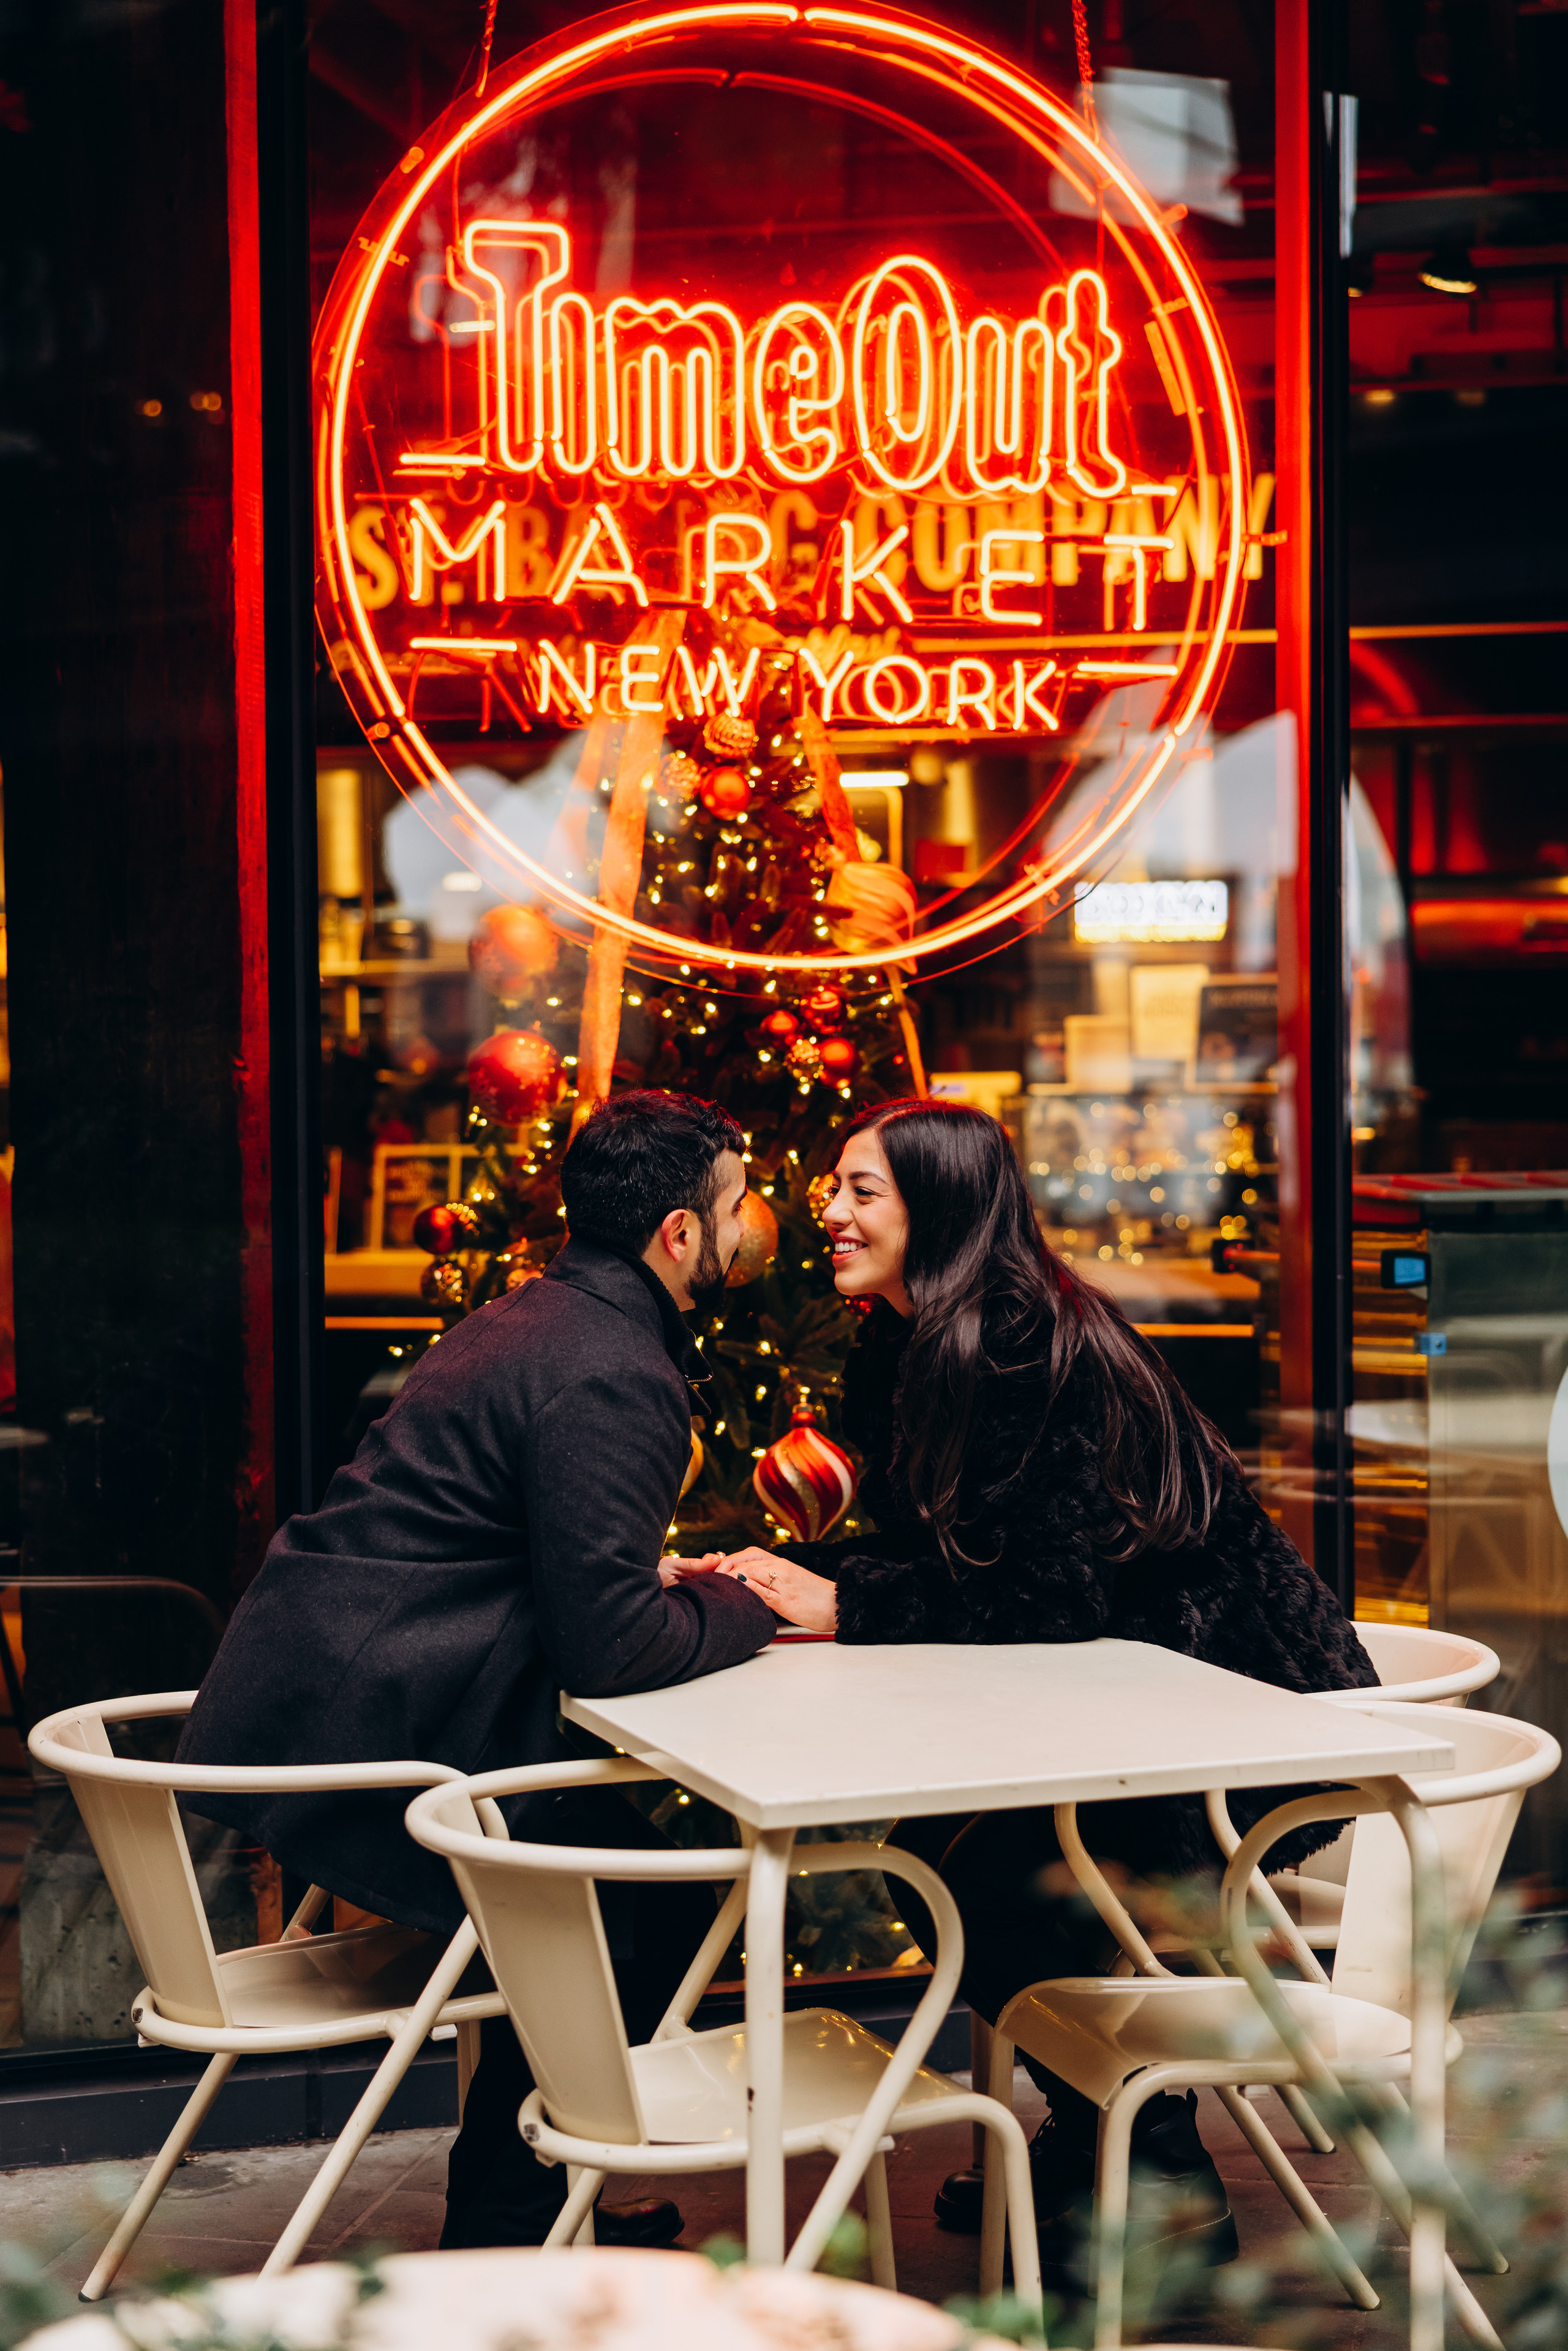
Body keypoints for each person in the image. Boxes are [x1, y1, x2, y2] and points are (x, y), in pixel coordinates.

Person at [693, 1097, 1377, 2283]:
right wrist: (786, 1573)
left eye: (863, 1190)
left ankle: (1157, 2173)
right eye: (833, 1187)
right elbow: (951, 1557)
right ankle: (1098, 2128)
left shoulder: (1023, 1347)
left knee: (989, 1869)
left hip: (1231, 1712)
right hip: (1119, 1696)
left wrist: (846, 1604)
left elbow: (1051, 1597)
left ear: (941, 1207)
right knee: (949, 1854)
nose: (832, 1212)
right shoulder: (903, 1343)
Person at [179, 1091, 775, 2250]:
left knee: (606, 1886)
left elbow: (535, 1555)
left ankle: (523, 2196)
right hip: (376, 1732)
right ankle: (514, 2208)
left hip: (330, 1699)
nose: (751, 1225)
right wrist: (736, 1601)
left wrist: (653, 1584)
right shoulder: (615, 1369)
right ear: (680, 1234)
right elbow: (615, 1645)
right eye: (737, 1203)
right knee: (658, 1899)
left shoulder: (536, 1316)